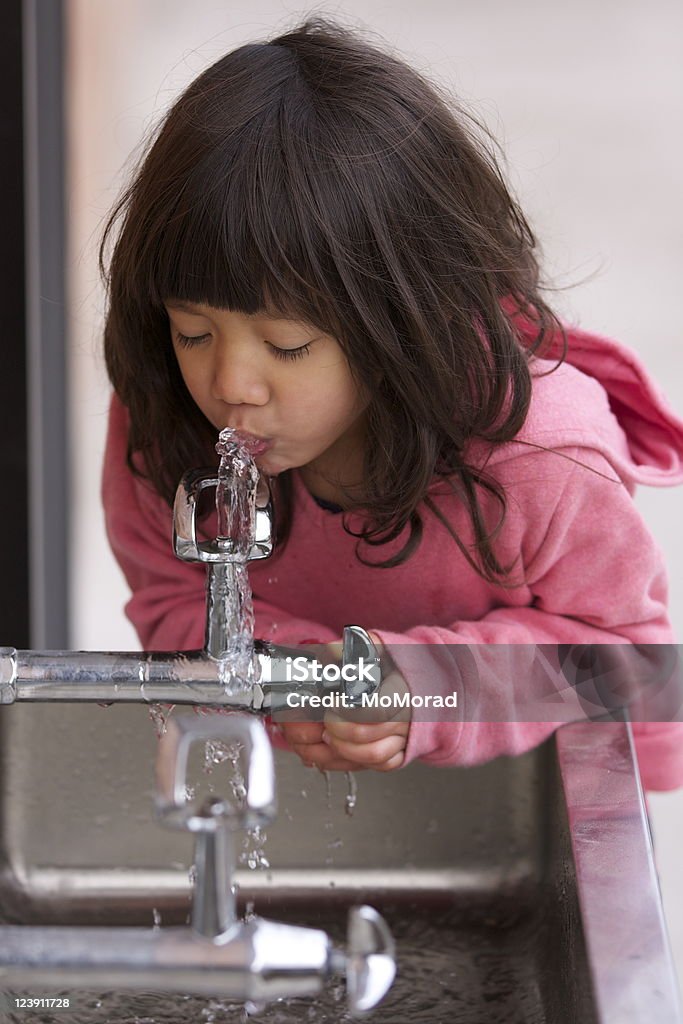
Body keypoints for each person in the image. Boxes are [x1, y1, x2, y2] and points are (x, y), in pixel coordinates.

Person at [100, 16, 683, 790]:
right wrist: (306, 678)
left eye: (287, 347)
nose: (230, 385)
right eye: (192, 330)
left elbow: (634, 671)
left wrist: (428, 687)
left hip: (515, 798)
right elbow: (172, 600)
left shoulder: (535, 459)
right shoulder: (166, 417)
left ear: (400, 325)